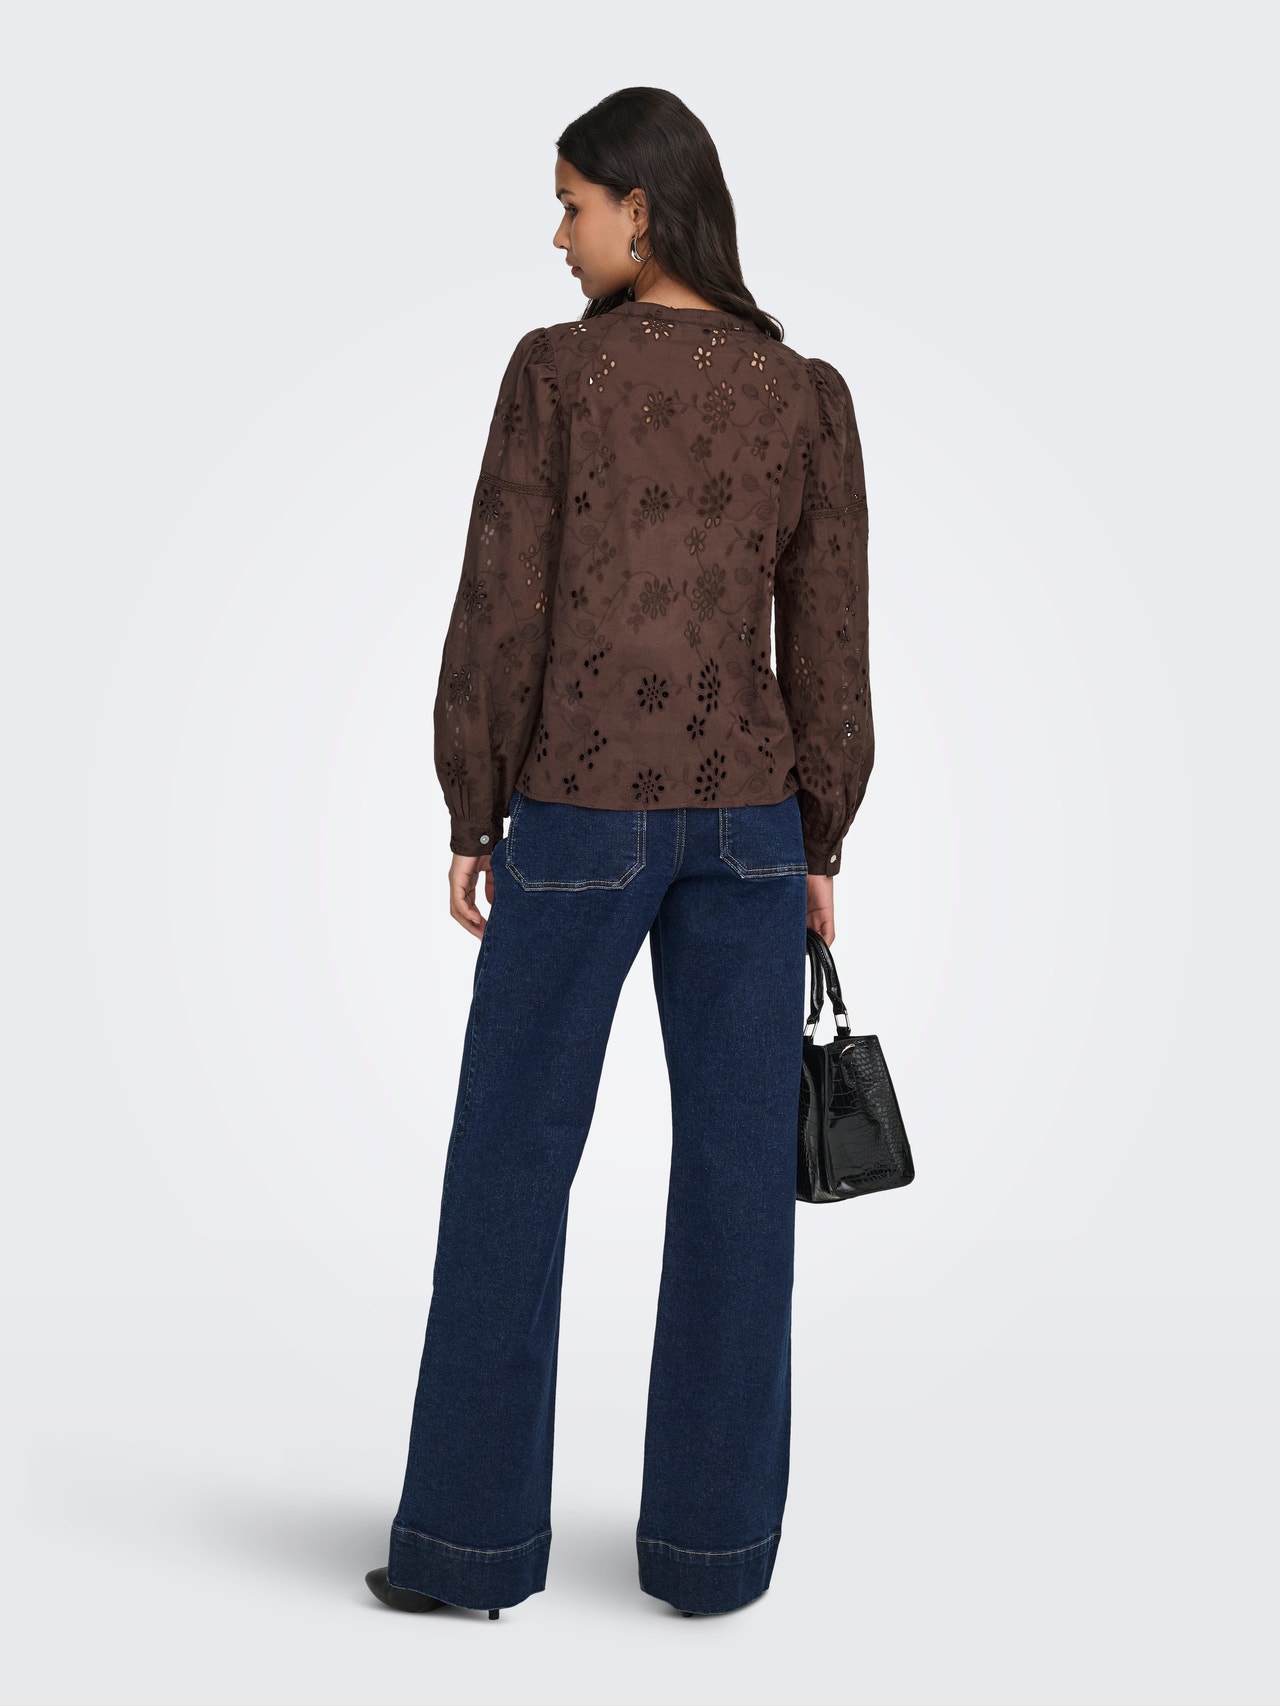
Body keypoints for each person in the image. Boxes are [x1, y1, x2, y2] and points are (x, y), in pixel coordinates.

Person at [365, 85, 874, 1622]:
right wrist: (821, 833)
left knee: (512, 1161)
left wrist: (474, 806)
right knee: (737, 1181)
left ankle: (467, 1548)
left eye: (573, 204)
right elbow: (831, 641)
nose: (559, 234)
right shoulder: (804, 394)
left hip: (583, 805)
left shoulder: (559, 375)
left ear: (642, 210)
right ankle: (712, 1561)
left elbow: (502, 601)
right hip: (750, 822)